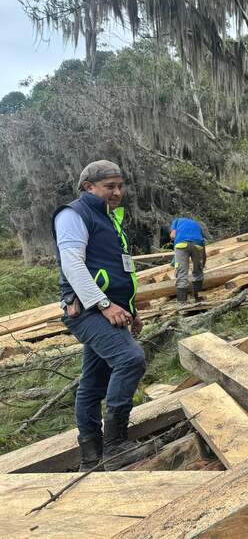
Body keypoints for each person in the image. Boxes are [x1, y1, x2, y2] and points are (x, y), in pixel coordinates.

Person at [52, 160, 146, 471]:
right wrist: (104, 305)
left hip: (109, 310)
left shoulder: (110, 217)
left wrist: (131, 310)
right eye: (110, 186)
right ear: (88, 187)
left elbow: (120, 268)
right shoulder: (74, 214)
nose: (117, 192)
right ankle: (116, 445)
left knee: (92, 385)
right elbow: (73, 265)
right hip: (87, 309)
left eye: (120, 186)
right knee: (130, 359)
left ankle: (90, 459)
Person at [169, 216, 206, 303]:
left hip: (181, 244)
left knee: (181, 274)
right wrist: (201, 266)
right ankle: (197, 299)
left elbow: (173, 235)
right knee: (198, 273)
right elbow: (203, 252)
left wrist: (174, 243)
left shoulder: (177, 221)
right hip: (198, 245)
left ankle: (182, 303)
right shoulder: (197, 225)